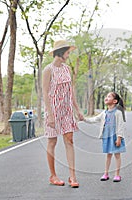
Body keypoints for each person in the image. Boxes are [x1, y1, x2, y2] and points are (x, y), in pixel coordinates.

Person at [42, 40, 83, 188]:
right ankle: (53, 176)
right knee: (52, 141)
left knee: (69, 140)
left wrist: (77, 110)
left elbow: (70, 92)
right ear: (61, 52)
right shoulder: (48, 70)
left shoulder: (66, 69)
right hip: (53, 110)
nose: (68, 55)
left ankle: (73, 176)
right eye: (67, 52)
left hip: (66, 110)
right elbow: (45, 93)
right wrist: (51, 115)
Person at [83, 92, 126, 182]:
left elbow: (120, 126)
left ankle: (117, 175)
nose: (106, 97)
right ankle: (106, 173)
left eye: (109, 96)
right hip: (107, 137)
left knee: (117, 155)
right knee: (108, 155)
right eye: (106, 96)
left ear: (115, 101)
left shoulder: (118, 113)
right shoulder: (104, 113)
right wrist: (84, 119)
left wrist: (119, 138)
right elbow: (94, 119)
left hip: (115, 137)